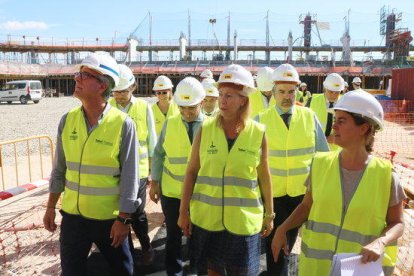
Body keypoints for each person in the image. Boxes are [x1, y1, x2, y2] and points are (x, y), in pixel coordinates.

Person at [272, 90, 406, 276]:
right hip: (316, 268)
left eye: (341, 121)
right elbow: (307, 206)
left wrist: (381, 242)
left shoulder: (386, 176)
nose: (334, 126)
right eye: (335, 120)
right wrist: (283, 228)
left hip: (358, 269)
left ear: (364, 128)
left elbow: (397, 222)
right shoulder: (320, 163)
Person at [43, 53, 140, 276]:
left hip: (108, 220)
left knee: (122, 271)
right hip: (73, 219)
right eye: (78, 73)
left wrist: (124, 219)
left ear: (102, 85)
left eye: (84, 75)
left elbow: (130, 177)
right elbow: (59, 169)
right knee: (71, 272)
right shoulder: (67, 120)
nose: (76, 78)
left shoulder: (123, 124)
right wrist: (50, 206)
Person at [178, 64, 274, 276]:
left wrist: (270, 213)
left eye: (229, 96)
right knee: (212, 271)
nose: (222, 100)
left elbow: (264, 177)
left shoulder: (258, 133)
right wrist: (183, 211)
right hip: (207, 220)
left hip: (243, 223)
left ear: (243, 100)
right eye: (220, 94)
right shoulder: (205, 129)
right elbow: (192, 171)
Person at [257, 63, 329, 275]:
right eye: (281, 92)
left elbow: (323, 156)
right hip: (274, 196)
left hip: (303, 196)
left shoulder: (309, 117)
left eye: (291, 91)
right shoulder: (260, 121)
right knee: (277, 247)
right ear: (273, 92)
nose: (287, 96)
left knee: (303, 243)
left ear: (297, 90)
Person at [150, 77, 206, 275]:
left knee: (198, 236)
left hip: (201, 194)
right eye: (182, 108)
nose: (186, 113)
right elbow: (158, 154)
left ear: (202, 102)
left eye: (191, 108)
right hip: (172, 193)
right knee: (174, 235)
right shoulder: (171, 123)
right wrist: (155, 182)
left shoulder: (211, 126)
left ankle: (196, 268)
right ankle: (173, 270)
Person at [109, 64, 157, 265]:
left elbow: (152, 142)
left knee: (136, 213)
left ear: (133, 88)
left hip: (139, 170)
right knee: (118, 212)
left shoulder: (143, 107)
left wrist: (154, 176)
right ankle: (125, 250)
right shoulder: (108, 106)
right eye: (116, 92)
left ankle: (146, 247)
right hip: (115, 170)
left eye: (123, 91)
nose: (119, 96)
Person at [307, 73, 345, 151]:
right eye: (331, 91)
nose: (334, 95)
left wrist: (339, 138)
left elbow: (351, 128)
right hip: (316, 149)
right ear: (325, 88)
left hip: (337, 152)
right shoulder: (312, 100)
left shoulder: (345, 103)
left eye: (337, 92)